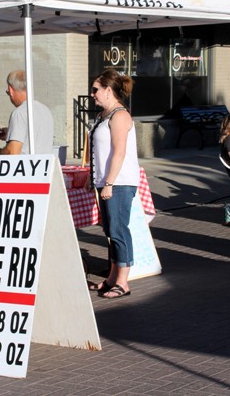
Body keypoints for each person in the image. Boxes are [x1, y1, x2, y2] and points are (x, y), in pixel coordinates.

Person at [88, 69, 140, 299]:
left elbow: (119, 153)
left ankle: (123, 281)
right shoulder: (104, 116)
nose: (92, 94)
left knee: (119, 230)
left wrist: (109, 183)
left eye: (95, 90)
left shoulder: (120, 116)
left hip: (118, 183)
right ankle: (112, 277)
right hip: (106, 181)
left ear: (108, 90)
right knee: (110, 230)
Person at [0, 70, 54, 156]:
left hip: (26, 167)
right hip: (44, 167)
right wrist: (9, 133)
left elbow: (12, 152)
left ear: (10, 90)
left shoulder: (19, 113)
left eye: (8, 93)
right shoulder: (45, 110)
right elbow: (35, 137)